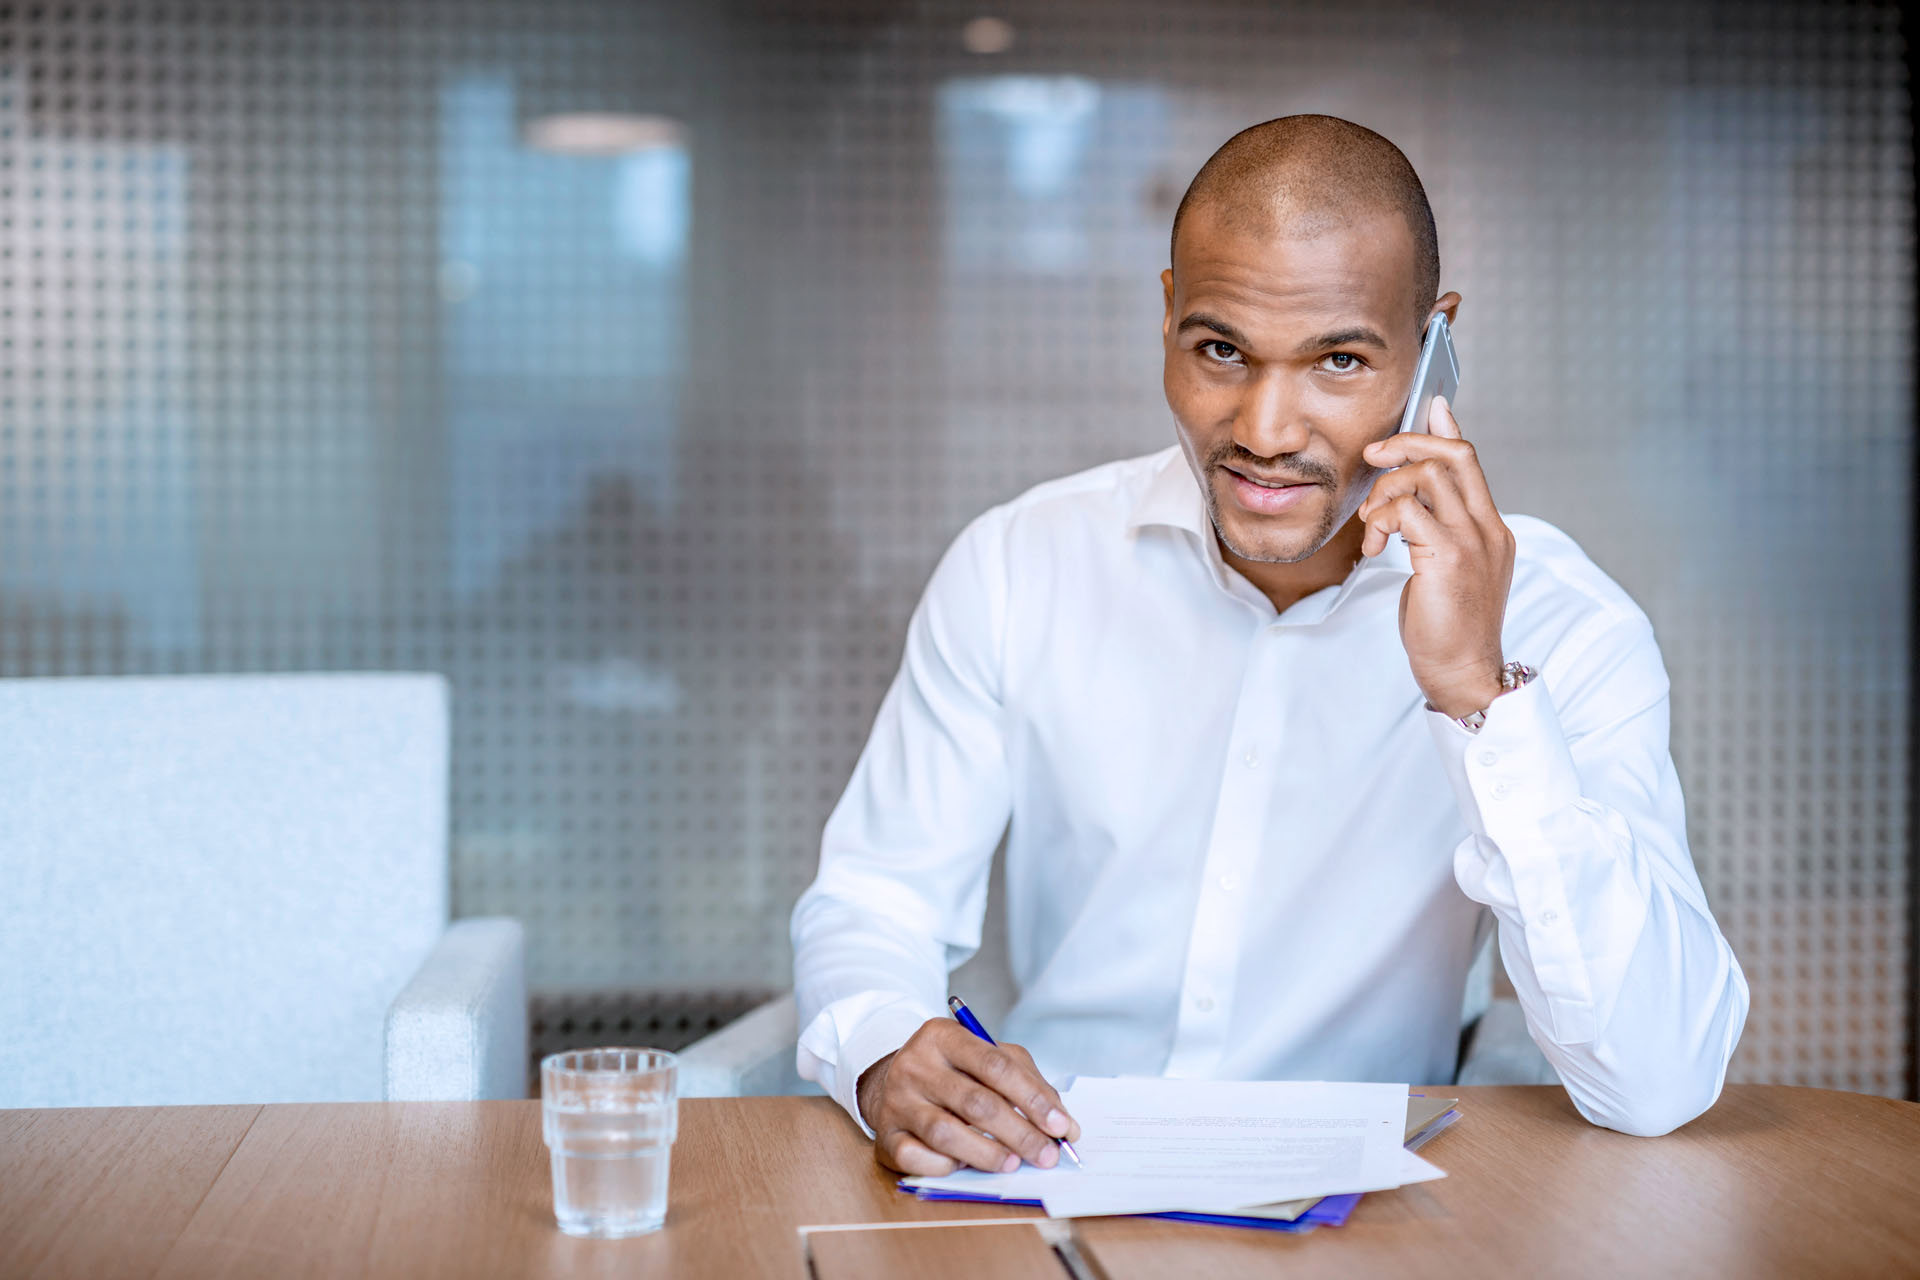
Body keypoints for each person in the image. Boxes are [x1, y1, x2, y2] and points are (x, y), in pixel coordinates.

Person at [790, 114, 1749, 1177]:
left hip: (1376, 1227)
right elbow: (875, 899)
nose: (1266, 429)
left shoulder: (1565, 625)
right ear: (1165, 317)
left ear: (1434, 342)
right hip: (1045, 1185)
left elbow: (1659, 1076)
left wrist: (1479, 692)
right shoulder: (1019, 564)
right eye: (1221, 350)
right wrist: (884, 1049)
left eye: (1339, 359)